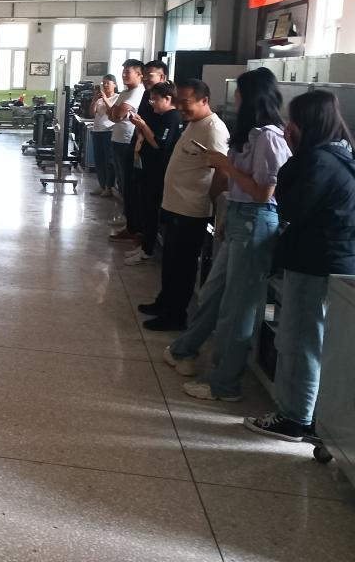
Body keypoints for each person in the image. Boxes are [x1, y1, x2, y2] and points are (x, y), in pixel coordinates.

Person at [163, 69, 290, 403]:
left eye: (239, 94)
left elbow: (264, 192)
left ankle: (224, 383)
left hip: (255, 221)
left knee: (238, 306)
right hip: (237, 215)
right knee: (213, 291)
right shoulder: (251, 134)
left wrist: (225, 164)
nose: (234, 99)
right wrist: (224, 215)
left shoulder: (269, 137)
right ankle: (185, 347)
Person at [246, 90, 355, 439]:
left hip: (315, 261)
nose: (287, 128)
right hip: (331, 259)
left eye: (292, 121)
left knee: (299, 340)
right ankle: (307, 413)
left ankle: (295, 417)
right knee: (311, 339)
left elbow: (290, 205)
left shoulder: (319, 162)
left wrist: (292, 153)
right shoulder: (341, 154)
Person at [138, 79, 229, 331]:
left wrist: (213, 203)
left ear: (204, 100)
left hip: (192, 209)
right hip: (175, 204)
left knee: (183, 266)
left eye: (185, 102)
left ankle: (175, 315)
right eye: (177, 101)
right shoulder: (193, 123)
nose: (179, 106)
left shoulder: (214, 129)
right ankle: (164, 302)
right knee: (170, 260)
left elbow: (222, 171)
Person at [125, 81, 182, 265]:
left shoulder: (172, 117)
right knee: (146, 210)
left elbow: (158, 143)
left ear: (168, 99)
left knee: (151, 212)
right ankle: (145, 246)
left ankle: (147, 250)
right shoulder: (161, 116)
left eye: (155, 100)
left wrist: (143, 125)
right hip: (148, 170)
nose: (152, 104)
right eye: (150, 100)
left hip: (158, 173)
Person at [108, 59, 145, 241]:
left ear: (139, 74)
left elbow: (117, 113)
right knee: (122, 183)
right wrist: (116, 114)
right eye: (123, 71)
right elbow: (113, 115)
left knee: (129, 184)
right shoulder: (125, 92)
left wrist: (116, 114)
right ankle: (128, 220)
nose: (124, 75)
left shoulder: (138, 92)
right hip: (117, 139)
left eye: (128, 72)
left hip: (127, 141)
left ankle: (133, 226)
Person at [89, 74, 118, 197]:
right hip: (97, 131)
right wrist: (95, 100)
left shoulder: (117, 98)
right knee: (99, 159)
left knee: (108, 160)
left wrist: (105, 99)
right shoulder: (99, 99)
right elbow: (92, 113)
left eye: (108, 83)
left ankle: (108, 187)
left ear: (114, 85)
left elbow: (113, 112)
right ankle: (101, 185)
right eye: (103, 83)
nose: (105, 85)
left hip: (109, 131)